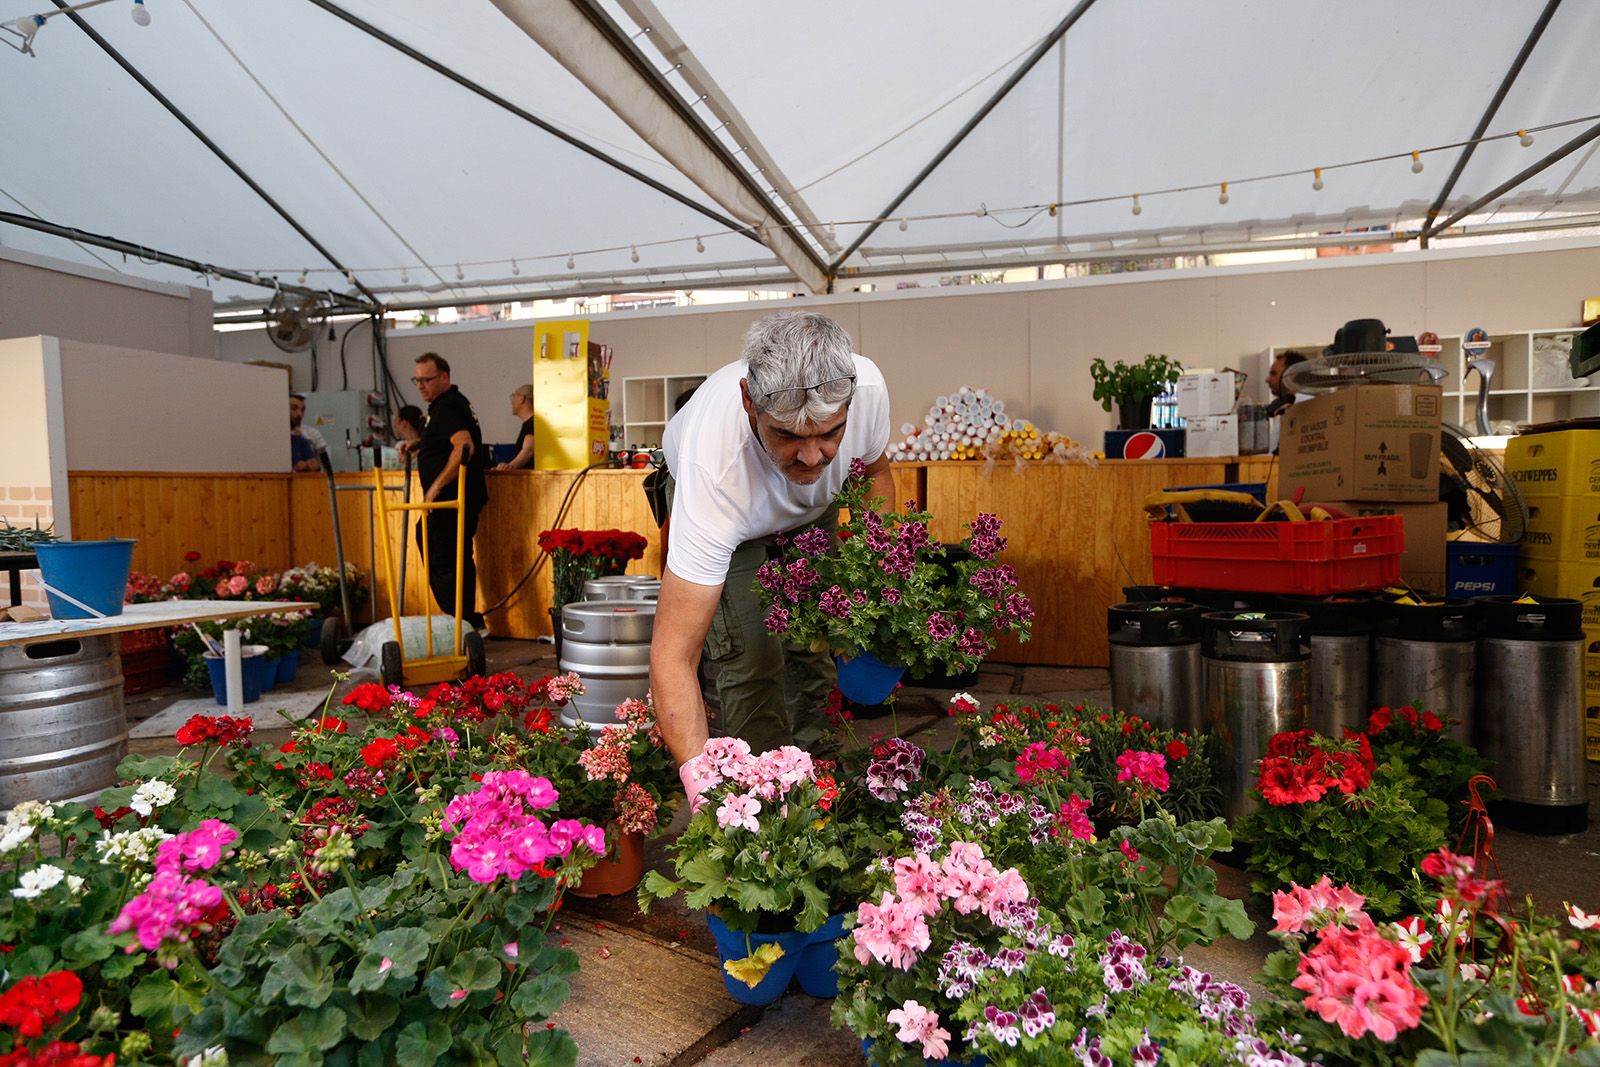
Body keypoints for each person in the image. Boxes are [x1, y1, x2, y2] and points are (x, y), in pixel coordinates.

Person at [650, 311, 894, 801]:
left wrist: (880, 571)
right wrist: (704, 797)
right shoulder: (711, 469)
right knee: (753, 658)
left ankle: (812, 783)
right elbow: (673, 655)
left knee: (815, 645)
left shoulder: (864, 387)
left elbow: (876, 474)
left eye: (829, 433)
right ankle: (757, 798)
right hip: (736, 520)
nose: (811, 457)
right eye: (787, 435)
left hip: (812, 511)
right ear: (749, 402)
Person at [405, 352, 489, 632]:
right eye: (416, 380)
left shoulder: (448, 407)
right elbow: (447, 440)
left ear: (444, 377)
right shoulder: (447, 404)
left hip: (451, 499)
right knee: (455, 556)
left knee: (440, 554)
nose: (420, 386)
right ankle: (465, 621)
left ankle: (460, 622)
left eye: (426, 379)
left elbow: (464, 446)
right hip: (457, 498)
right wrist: (421, 444)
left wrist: (435, 488)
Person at [1265, 350, 1309, 453]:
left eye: (1273, 374)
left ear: (1291, 375)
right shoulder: (1286, 404)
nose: (1267, 379)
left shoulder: (1305, 404)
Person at [494, 384, 536, 470]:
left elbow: (529, 450)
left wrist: (509, 467)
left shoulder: (532, 423)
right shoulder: (530, 423)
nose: (512, 401)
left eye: (513, 396)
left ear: (521, 399)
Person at [290, 393, 326, 472]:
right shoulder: (278, 435)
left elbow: (324, 464)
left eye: (302, 410)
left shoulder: (313, 433)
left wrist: (315, 465)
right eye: (294, 408)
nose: (299, 414)